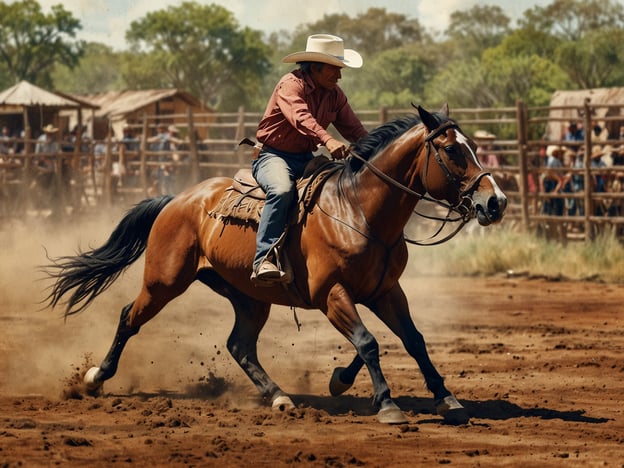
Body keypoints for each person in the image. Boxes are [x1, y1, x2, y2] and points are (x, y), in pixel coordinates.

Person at [250, 34, 368, 285]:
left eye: (340, 69)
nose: (339, 76)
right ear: (315, 67)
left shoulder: (334, 94)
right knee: (281, 190)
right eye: (334, 69)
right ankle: (263, 258)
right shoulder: (290, 84)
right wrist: (329, 140)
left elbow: (354, 129)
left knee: (340, 186)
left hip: (304, 158)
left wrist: (374, 151)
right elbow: (301, 117)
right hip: (273, 156)